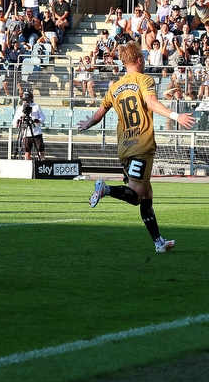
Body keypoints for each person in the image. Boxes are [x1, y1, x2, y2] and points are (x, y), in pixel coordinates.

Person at [80, 41, 196, 253]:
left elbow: (99, 112)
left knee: (147, 194)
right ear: (140, 60)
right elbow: (150, 103)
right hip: (141, 146)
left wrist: (87, 124)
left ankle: (159, 242)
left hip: (124, 148)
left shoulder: (114, 87)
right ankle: (105, 188)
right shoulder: (144, 79)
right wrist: (176, 115)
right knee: (136, 196)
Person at [12, 89, 46, 160]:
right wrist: (16, 123)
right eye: (24, 100)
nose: (26, 102)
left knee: (40, 150)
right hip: (26, 133)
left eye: (27, 100)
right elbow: (15, 120)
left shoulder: (36, 106)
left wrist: (38, 121)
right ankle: (27, 165)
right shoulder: (20, 109)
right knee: (27, 152)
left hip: (36, 132)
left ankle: (42, 164)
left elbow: (43, 116)